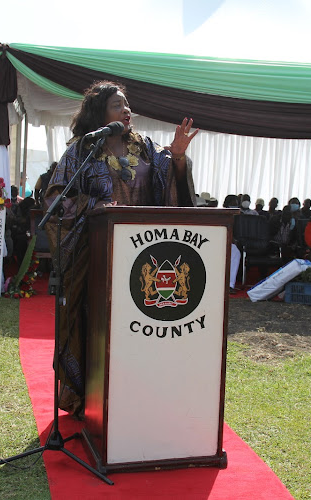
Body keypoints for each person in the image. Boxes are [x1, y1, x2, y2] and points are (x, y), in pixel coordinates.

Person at [44, 80, 197, 415]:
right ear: (100, 112)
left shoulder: (146, 148)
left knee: (140, 327)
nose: (126, 111)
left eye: (127, 105)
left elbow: (172, 187)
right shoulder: (81, 152)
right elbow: (56, 200)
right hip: (98, 257)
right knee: (97, 327)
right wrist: (93, 206)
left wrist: (180, 156)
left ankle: (140, 398)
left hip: (145, 256)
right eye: (118, 105)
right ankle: (93, 397)